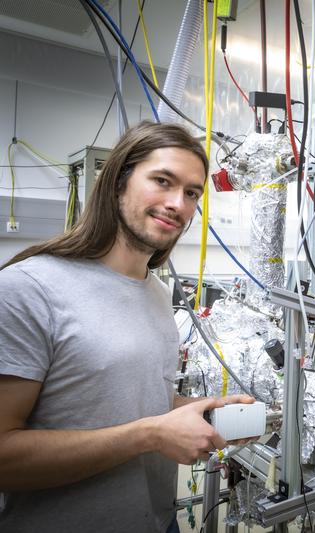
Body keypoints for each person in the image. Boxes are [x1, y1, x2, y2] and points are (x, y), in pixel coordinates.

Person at [0, 122, 253, 533]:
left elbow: (125, 397)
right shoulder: (28, 289)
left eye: (191, 193)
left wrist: (191, 412)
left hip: (157, 520)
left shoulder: (155, 292)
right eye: (162, 181)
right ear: (118, 182)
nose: (178, 204)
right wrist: (151, 435)